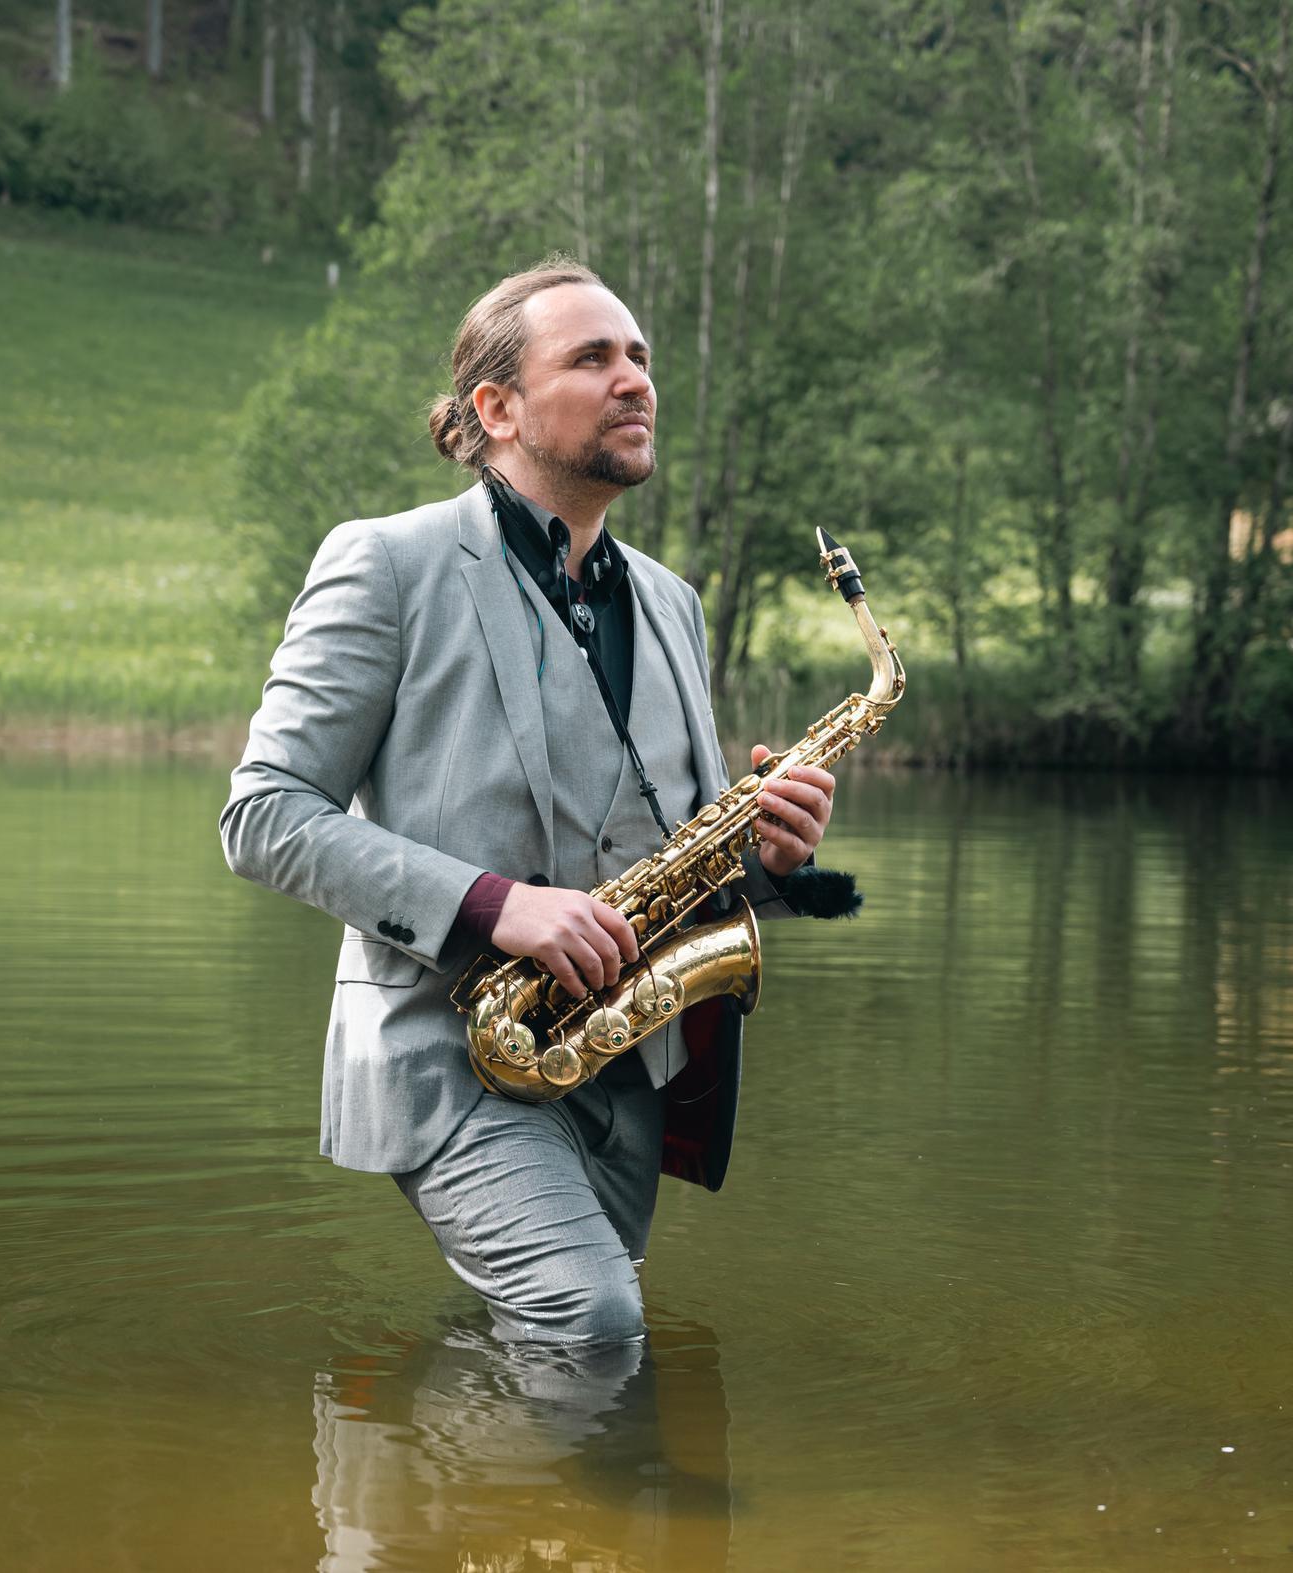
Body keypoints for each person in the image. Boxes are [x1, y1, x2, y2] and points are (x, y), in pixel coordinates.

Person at [221, 258, 839, 1346]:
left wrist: (772, 859)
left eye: (639, 356)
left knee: (569, 1338)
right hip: (456, 1048)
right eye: (592, 358)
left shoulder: (673, 604)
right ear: (496, 408)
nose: (634, 379)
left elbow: (670, 850)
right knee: (590, 1321)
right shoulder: (386, 564)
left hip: (632, 1062)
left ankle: (419, 1442)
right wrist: (496, 904)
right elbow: (264, 813)